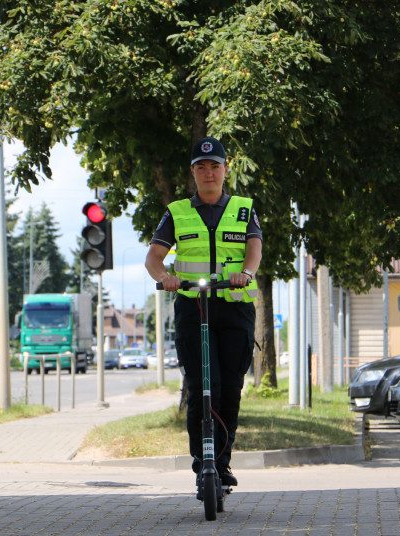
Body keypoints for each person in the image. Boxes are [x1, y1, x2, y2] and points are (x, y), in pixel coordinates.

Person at [145, 136, 262, 493]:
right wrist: (164, 277)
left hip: (234, 306)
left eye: (215, 166)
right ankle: (203, 463)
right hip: (193, 307)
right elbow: (154, 257)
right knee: (200, 387)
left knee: (230, 387)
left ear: (225, 170)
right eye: (201, 167)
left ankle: (222, 464)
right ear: (193, 173)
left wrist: (248, 273)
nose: (208, 173)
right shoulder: (177, 211)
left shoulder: (244, 208)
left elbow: (254, 247)